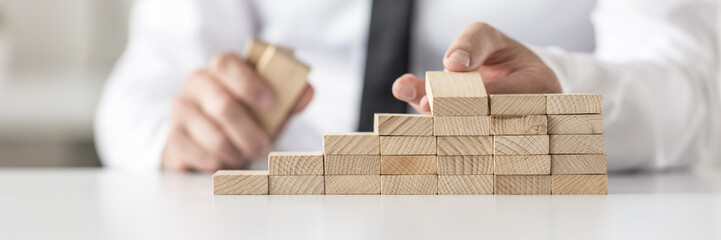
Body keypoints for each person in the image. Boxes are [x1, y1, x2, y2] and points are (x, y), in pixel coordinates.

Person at [95, 0, 719, 172]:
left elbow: (687, 90)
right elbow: (140, 94)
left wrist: (562, 101)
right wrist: (178, 132)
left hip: (527, 200)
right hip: (286, 200)